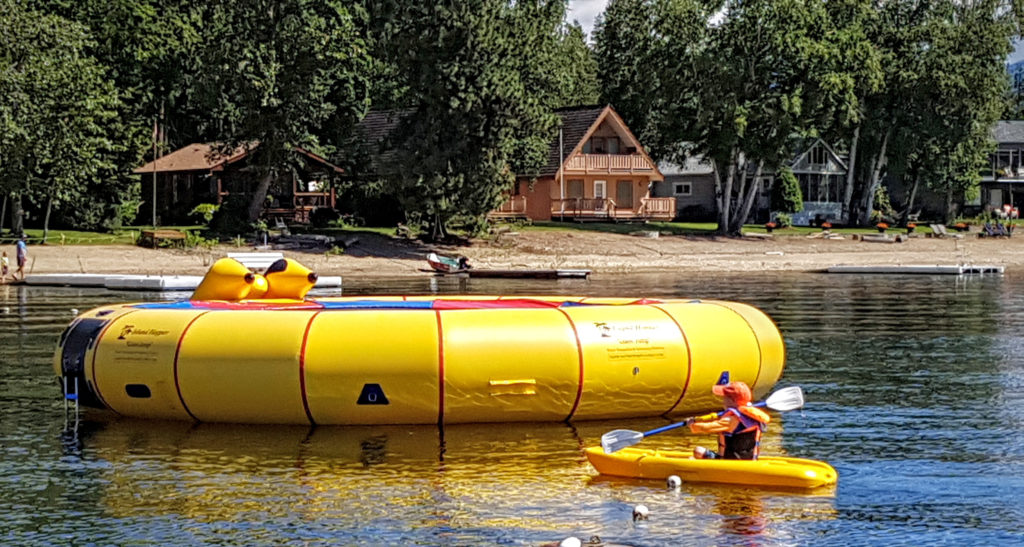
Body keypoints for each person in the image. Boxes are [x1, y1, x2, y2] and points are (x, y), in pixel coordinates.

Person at [688, 381, 770, 460]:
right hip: (750, 460)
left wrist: (692, 425)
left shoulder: (731, 420)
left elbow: (707, 428)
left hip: (728, 460)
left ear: (732, 401)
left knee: (698, 451)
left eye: (725, 397)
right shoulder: (752, 417)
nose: (723, 400)